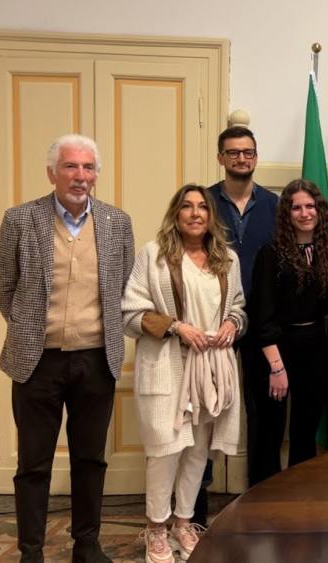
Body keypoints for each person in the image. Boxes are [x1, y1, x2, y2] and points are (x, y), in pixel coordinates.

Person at [0, 134, 134, 563]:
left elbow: (124, 286)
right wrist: (29, 328)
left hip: (96, 360)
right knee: (33, 464)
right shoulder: (20, 219)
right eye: (71, 166)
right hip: (37, 362)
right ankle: (31, 551)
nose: (80, 176)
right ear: (52, 172)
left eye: (88, 167)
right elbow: (2, 285)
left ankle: (87, 545)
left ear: (96, 174)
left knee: (90, 460)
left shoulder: (117, 222)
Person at [122, 184, 246, 562]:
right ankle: (156, 530)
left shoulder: (227, 258)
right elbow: (131, 313)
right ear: (175, 215)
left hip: (210, 370)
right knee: (165, 451)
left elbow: (238, 307)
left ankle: (183, 523)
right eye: (187, 207)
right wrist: (176, 327)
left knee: (196, 452)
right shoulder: (154, 255)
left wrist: (232, 323)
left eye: (202, 207)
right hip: (167, 366)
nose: (195, 213)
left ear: (211, 216)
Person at [204, 126, 278, 506]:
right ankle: (194, 510)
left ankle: (261, 501)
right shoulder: (203, 202)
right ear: (221, 157)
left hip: (263, 325)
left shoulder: (274, 205)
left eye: (248, 152)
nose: (241, 159)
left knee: (263, 415)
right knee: (204, 413)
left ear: (255, 157)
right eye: (233, 152)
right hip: (212, 324)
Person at [247, 179, 328, 480]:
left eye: (310, 206)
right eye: (296, 207)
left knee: (306, 428)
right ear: (286, 213)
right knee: (270, 430)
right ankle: (265, 495)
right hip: (275, 348)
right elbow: (262, 315)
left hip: (315, 347)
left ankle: (301, 491)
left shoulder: (327, 253)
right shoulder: (271, 253)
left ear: (319, 211)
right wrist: (276, 368)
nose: (304, 213)